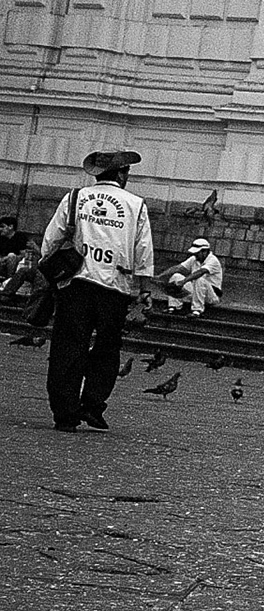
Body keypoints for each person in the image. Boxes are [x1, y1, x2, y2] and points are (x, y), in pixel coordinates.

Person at [41, 150, 154, 433]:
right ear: (119, 174)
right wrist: (144, 291)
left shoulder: (75, 197)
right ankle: (92, 405)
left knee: (67, 348)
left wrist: (51, 275)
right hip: (114, 289)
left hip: (75, 285)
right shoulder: (136, 205)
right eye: (126, 173)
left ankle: (65, 414)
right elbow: (143, 251)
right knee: (106, 349)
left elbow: (51, 240)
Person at [161, 238, 223, 315]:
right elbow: (178, 268)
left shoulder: (213, 261)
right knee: (176, 276)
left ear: (205, 251)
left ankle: (197, 310)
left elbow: (200, 272)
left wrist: (183, 282)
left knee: (199, 279)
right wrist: (161, 276)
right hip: (197, 292)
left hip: (212, 295)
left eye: (197, 253)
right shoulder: (194, 259)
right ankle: (173, 306)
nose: (195, 255)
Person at [0, 215, 37, 301]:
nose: (0, 229)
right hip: (3, 262)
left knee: (11, 256)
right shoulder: (2, 239)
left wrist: (8, 258)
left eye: (2, 226)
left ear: (10, 227)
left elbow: (24, 255)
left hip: (16, 262)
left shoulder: (19, 237)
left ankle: (10, 282)